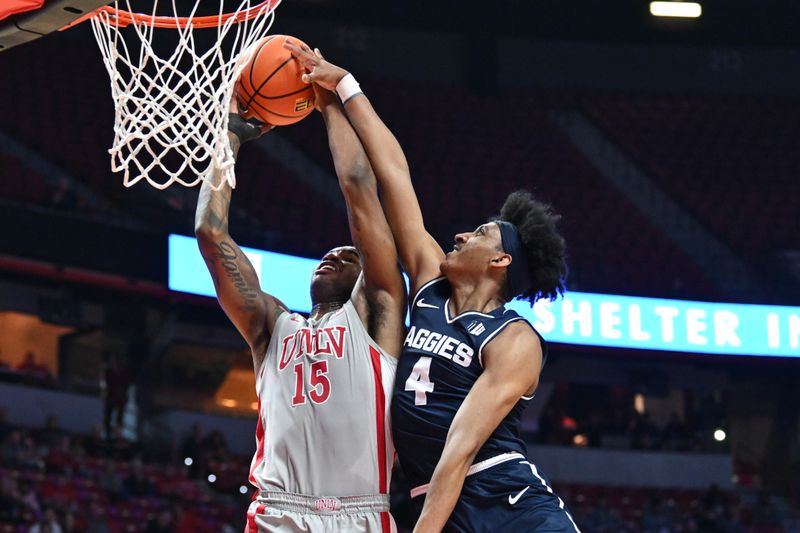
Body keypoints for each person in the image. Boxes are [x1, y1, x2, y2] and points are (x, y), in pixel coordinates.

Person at [286, 42, 578, 532]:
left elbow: (460, 448)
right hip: (439, 499)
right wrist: (343, 87)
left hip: (507, 502)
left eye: (481, 233)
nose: (462, 234)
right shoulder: (427, 283)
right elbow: (395, 175)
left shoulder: (514, 339)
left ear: (501, 260)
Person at [193, 93, 407, 531]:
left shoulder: (376, 313)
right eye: (329, 255)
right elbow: (209, 232)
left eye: (348, 256)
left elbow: (358, 189)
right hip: (277, 512)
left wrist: (330, 105)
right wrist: (228, 135)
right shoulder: (272, 326)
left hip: (360, 512)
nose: (333, 256)